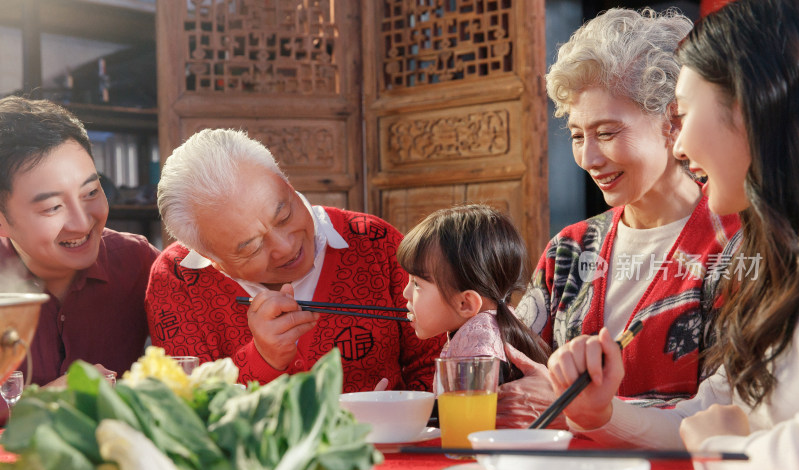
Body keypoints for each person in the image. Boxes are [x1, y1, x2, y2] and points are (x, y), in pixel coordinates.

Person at [547, 0, 799, 470]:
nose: (681, 144)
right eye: (578, 135)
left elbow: (724, 435)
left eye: (682, 116)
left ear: (751, 108)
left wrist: (719, 451)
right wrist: (599, 413)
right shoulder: (781, 262)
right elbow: (706, 412)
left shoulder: (741, 249)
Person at [513, 8, 741, 415]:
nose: (589, 157)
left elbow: (731, 412)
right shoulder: (568, 250)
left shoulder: (738, 241)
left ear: (673, 121)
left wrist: (591, 412)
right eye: (578, 135)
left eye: (606, 132)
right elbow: (517, 370)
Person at [146, 128, 443, 392]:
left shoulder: (374, 242)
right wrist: (262, 359)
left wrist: (399, 413)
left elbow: (439, 364)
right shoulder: (178, 278)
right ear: (213, 259)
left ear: (286, 182)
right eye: (251, 248)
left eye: (284, 215)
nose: (285, 247)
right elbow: (189, 413)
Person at [0, 96, 159, 387]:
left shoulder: (138, 263)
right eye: (52, 208)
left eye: (91, 193)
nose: (83, 222)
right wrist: (42, 403)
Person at [397, 204, 549, 387]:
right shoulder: (495, 325)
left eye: (416, 284)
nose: (406, 293)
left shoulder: (477, 352)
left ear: (465, 303)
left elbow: (466, 415)